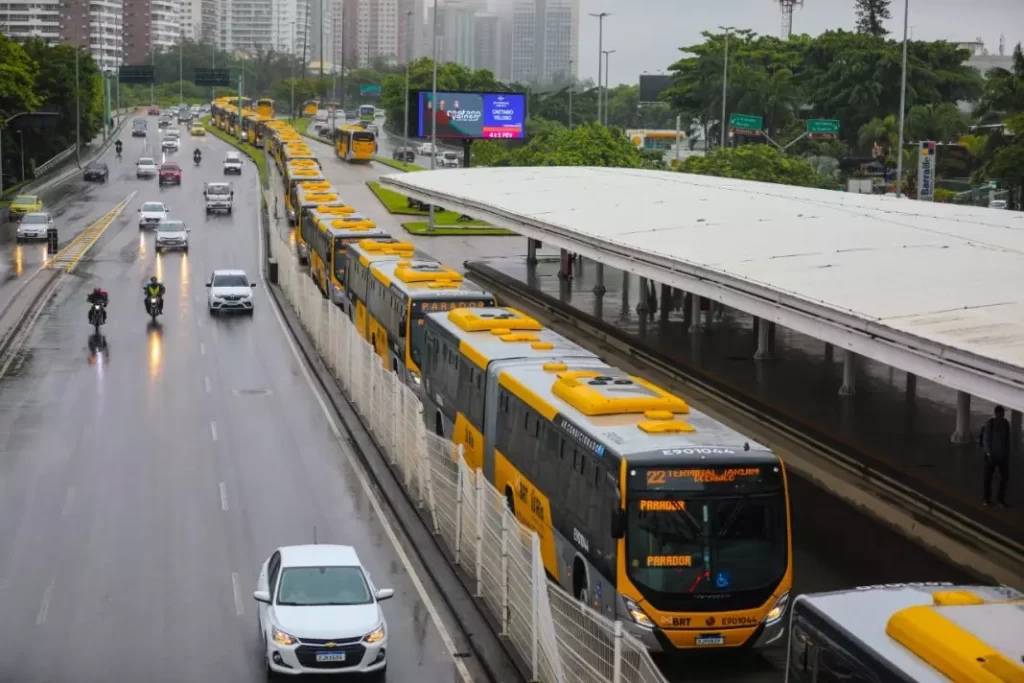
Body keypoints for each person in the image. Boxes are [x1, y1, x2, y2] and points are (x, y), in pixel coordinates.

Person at [979, 405, 1011, 508]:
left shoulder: (1005, 424)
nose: (1001, 415)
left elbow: (1007, 440)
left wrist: (1006, 454)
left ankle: (996, 499)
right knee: (989, 478)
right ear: (997, 413)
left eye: (1002, 414)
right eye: (1001, 413)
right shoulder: (991, 423)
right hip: (993, 456)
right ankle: (989, 499)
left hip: (999, 456)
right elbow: (986, 440)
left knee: (1001, 477)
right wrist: (988, 453)